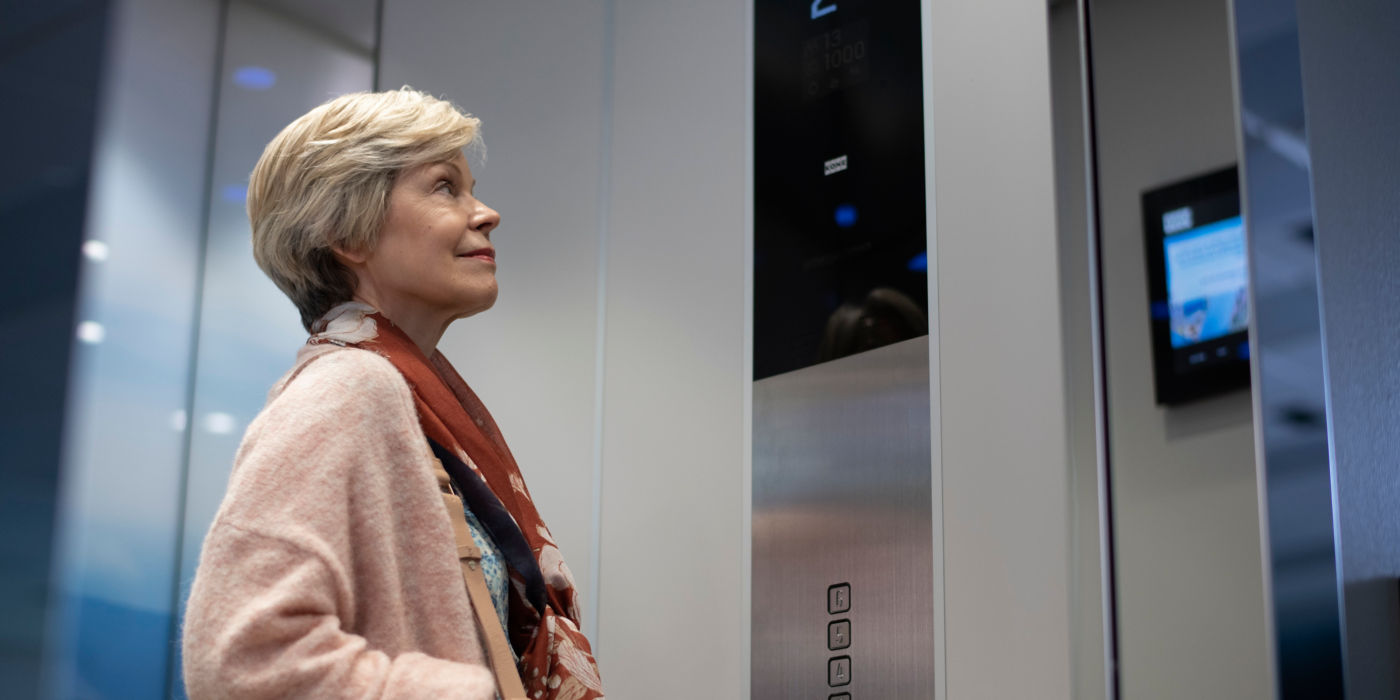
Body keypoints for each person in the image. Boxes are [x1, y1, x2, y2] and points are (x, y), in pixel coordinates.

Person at [181, 88, 604, 700]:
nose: (486, 212)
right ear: (346, 233)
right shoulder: (348, 387)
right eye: (444, 187)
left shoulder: (409, 395)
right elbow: (243, 660)